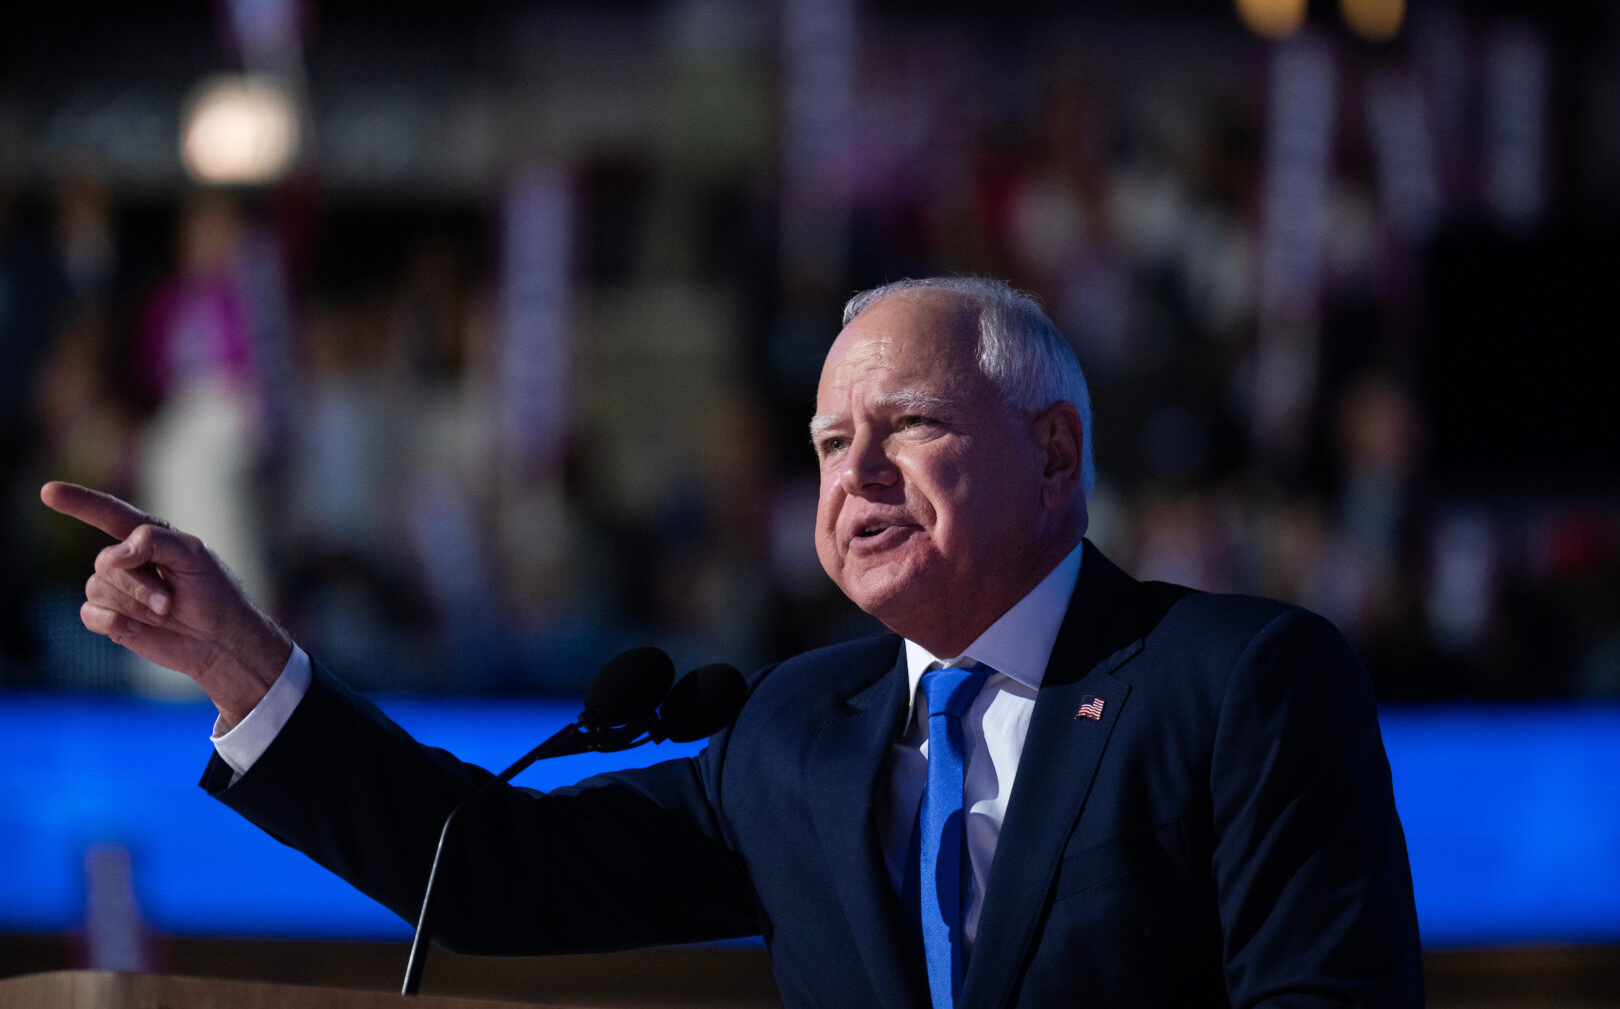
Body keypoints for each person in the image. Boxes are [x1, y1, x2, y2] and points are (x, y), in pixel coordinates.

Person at [43, 276, 1424, 1007]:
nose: (856, 475)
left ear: (1054, 454)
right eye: (830, 444)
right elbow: (489, 872)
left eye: (913, 428)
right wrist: (239, 662)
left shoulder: (1240, 683)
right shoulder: (793, 738)